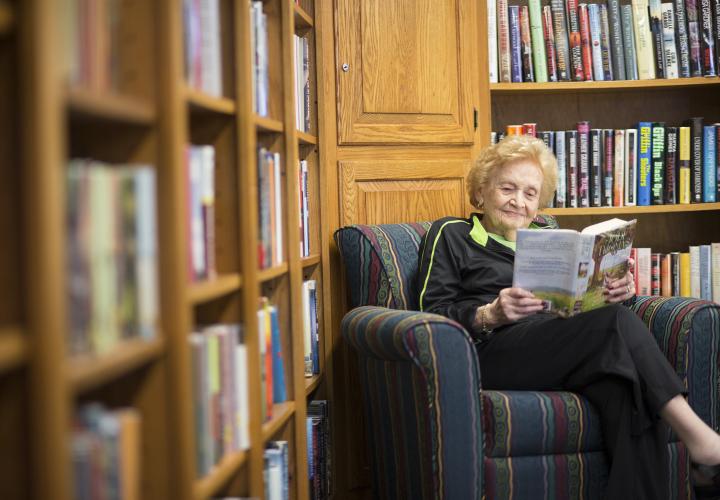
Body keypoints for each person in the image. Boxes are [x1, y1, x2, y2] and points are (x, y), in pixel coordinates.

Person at [417, 134, 720, 499]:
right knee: (614, 323)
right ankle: (701, 440)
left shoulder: (551, 236)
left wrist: (617, 292)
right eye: (507, 189)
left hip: (560, 345)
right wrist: (490, 313)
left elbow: (581, 307)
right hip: (491, 352)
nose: (518, 201)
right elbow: (429, 313)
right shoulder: (452, 234)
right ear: (481, 192)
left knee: (627, 390)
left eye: (530, 194)